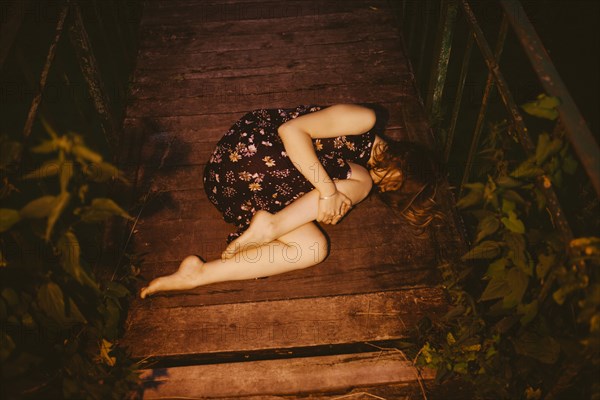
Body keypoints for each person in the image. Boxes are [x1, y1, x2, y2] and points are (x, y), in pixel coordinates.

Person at [140, 103, 440, 299]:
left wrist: (327, 195)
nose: (386, 188)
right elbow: (290, 130)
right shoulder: (365, 122)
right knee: (360, 181)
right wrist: (329, 192)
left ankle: (198, 275)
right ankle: (270, 227)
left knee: (313, 249)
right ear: (404, 160)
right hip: (249, 153)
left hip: (232, 194)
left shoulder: (355, 175)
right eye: (397, 183)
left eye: (393, 192)